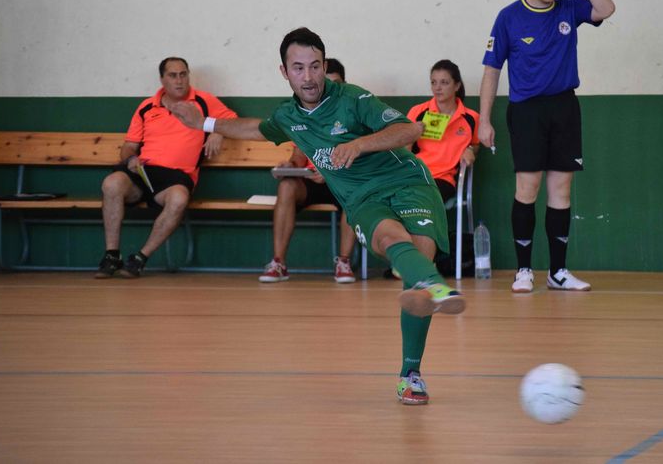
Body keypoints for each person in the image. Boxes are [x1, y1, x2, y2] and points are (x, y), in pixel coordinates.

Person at [171, 28, 465, 406]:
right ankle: (432, 293)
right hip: (362, 198)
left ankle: (412, 364)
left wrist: (359, 144)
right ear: (284, 72)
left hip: (409, 184)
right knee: (392, 241)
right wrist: (204, 124)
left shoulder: (353, 98)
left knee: (419, 260)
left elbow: (409, 129)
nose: (308, 76)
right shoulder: (288, 116)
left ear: (324, 66)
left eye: (314, 66)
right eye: (298, 68)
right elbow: (256, 129)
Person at [478, 0, 615, 293]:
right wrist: (484, 120)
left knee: (561, 190)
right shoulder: (508, 17)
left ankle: (558, 271)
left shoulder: (569, 7)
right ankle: (523, 270)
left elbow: (606, 8)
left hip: (564, 107)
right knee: (527, 188)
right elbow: (492, 70)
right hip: (527, 111)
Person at [95, 57, 238, 278]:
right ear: (162, 79)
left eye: (183, 74)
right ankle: (112, 255)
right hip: (142, 172)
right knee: (111, 183)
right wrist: (131, 160)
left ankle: (139, 259)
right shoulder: (146, 107)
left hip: (176, 177)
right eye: (173, 75)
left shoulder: (203, 101)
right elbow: (129, 147)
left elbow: (232, 120)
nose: (179, 80)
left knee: (179, 199)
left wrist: (218, 132)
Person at [260, 58, 357, 283]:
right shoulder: (306, 115)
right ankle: (278, 263)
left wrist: (331, 171)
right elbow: (299, 155)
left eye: (335, 84)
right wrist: (291, 166)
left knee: (355, 194)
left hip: (343, 182)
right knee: (287, 186)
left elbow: (362, 156)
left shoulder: (354, 112)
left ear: (343, 85)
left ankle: (343, 262)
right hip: (312, 180)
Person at [406, 59, 479, 204]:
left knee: (421, 198)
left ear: (457, 85)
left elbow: (475, 144)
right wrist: (413, 134)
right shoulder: (418, 111)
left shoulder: (471, 118)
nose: (437, 88)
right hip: (415, 174)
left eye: (444, 82)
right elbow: (403, 149)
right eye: (433, 82)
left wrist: (471, 149)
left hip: (443, 179)